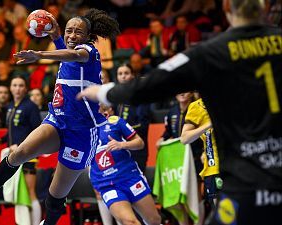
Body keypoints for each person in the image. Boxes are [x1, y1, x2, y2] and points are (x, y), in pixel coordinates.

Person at [78, 1, 282, 224]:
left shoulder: (210, 52)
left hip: (244, 184)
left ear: (225, 7)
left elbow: (152, 84)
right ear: (266, 8)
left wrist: (105, 91)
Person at [0, 9, 120, 225]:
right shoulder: (68, 50)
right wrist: (56, 35)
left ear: (88, 36)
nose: (72, 35)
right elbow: (65, 50)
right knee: (19, 152)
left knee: (54, 198)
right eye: (69, 30)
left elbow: (72, 55)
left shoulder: (89, 52)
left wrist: (40, 55)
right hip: (57, 121)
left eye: (77, 32)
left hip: (81, 134)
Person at [91, 104, 161, 225]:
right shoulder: (80, 130)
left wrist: (122, 145)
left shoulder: (115, 121)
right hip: (106, 184)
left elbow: (140, 143)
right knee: (130, 221)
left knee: (154, 220)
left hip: (130, 177)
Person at [0, 76, 43, 225]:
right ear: (11, 88)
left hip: (29, 154)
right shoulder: (11, 106)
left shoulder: (30, 106)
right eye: (15, 85)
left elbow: (37, 130)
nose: (18, 88)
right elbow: (13, 130)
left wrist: (20, 144)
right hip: (15, 155)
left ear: (25, 88)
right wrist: (1, 140)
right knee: (22, 193)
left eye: (21, 85)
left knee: (30, 191)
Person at [115, 63, 151, 173]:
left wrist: (123, 131)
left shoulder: (139, 98)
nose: (123, 76)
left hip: (137, 149)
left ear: (132, 76)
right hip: (119, 149)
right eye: (120, 73)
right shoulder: (115, 98)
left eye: (126, 73)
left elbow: (143, 125)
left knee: (138, 187)